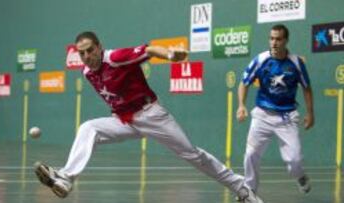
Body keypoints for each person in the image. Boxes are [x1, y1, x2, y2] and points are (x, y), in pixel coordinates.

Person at [34, 31, 263, 203]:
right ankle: (65, 177)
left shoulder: (115, 57)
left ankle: (243, 190)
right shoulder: (86, 72)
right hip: (125, 120)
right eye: (81, 53)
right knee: (89, 128)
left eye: (90, 50)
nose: (86, 56)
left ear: (99, 47)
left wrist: (171, 54)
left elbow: (150, 50)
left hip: (151, 115)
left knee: (193, 155)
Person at [236, 24, 314, 198]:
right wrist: (241, 105)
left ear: (286, 40)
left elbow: (307, 88)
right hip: (262, 115)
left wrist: (310, 113)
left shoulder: (296, 63)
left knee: (294, 160)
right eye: (271, 38)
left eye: (278, 39)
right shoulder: (260, 60)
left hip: (287, 117)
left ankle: (300, 177)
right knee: (251, 154)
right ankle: (249, 191)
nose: (274, 42)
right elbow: (244, 82)